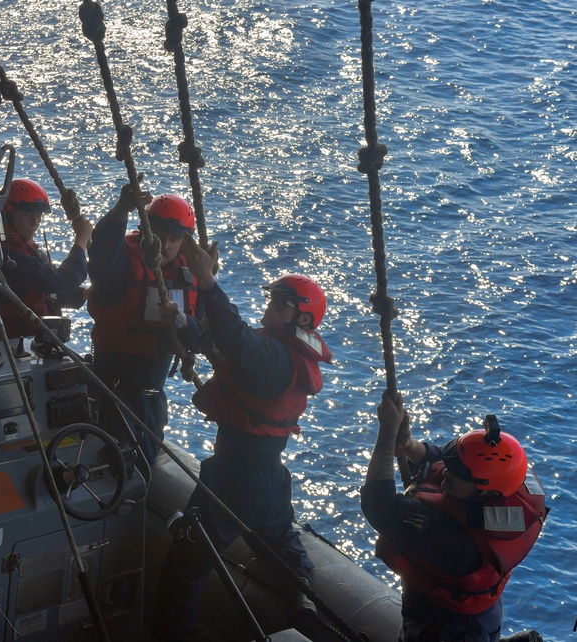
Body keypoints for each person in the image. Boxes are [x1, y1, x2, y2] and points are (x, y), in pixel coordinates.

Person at [152, 236, 331, 640]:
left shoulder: (272, 357)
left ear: (302, 320)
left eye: (280, 304)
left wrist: (207, 283)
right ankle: (300, 592)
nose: (270, 307)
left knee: (185, 567)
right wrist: (185, 323)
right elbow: (228, 346)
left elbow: (236, 339)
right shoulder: (282, 354)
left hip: (233, 478)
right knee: (281, 539)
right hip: (269, 478)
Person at [361, 391, 548, 642]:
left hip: (450, 627)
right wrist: (407, 444)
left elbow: (379, 506)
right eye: (453, 463)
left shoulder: (457, 543)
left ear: (486, 492)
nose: (447, 471)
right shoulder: (488, 489)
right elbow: (441, 461)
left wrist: (386, 434)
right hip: (481, 615)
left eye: (457, 471)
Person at [86, 183, 206, 466]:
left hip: (152, 395)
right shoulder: (123, 262)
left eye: (174, 240)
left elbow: (202, 337)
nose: (165, 246)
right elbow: (101, 256)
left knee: (145, 461)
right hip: (111, 387)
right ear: (145, 231)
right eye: (159, 236)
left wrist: (183, 322)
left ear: (184, 241)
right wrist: (120, 211)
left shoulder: (192, 275)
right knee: (109, 462)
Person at [0, 178, 92, 343]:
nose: (35, 223)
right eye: (26, 215)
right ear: (7, 216)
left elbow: (37, 292)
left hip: (3, 339)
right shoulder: (6, 258)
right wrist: (82, 238)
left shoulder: (4, 247)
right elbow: (65, 279)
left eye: (38, 216)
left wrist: (84, 294)